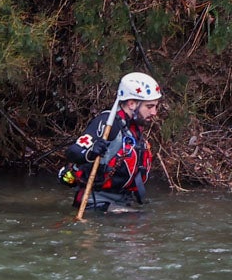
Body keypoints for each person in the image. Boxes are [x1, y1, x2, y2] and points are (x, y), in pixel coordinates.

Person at [62, 71, 163, 213]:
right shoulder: (108, 123)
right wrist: (91, 153)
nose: (154, 112)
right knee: (141, 219)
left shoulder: (134, 128)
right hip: (95, 202)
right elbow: (73, 152)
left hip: (122, 201)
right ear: (132, 103)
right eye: (149, 106)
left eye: (155, 107)